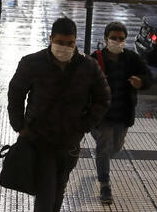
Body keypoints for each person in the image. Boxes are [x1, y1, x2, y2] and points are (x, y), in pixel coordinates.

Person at [7, 17, 110, 212]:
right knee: (46, 192)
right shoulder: (32, 63)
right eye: (60, 42)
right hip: (39, 140)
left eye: (70, 43)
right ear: (51, 39)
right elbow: (16, 93)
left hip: (69, 143)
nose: (65, 47)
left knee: (58, 190)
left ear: (75, 41)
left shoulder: (88, 66)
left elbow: (103, 98)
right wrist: (19, 126)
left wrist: (85, 125)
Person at [90, 21, 152, 205]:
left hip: (123, 114)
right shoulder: (95, 58)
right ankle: (105, 184)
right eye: (113, 38)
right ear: (106, 39)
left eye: (121, 39)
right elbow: (83, 83)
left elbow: (148, 76)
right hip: (102, 115)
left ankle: (103, 163)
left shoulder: (131, 59)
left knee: (115, 147)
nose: (117, 42)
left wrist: (141, 82)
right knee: (103, 146)